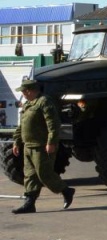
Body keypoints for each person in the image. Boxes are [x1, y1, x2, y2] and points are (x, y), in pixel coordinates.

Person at [10, 79, 75, 215]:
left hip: (41, 146)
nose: (23, 94)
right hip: (28, 146)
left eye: (23, 91)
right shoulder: (28, 104)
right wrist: (16, 142)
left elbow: (53, 124)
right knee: (29, 175)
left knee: (44, 174)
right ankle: (29, 204)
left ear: (30, 90)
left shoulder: (44, 102)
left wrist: (51, 142)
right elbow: (21, 126)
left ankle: (66, 190)